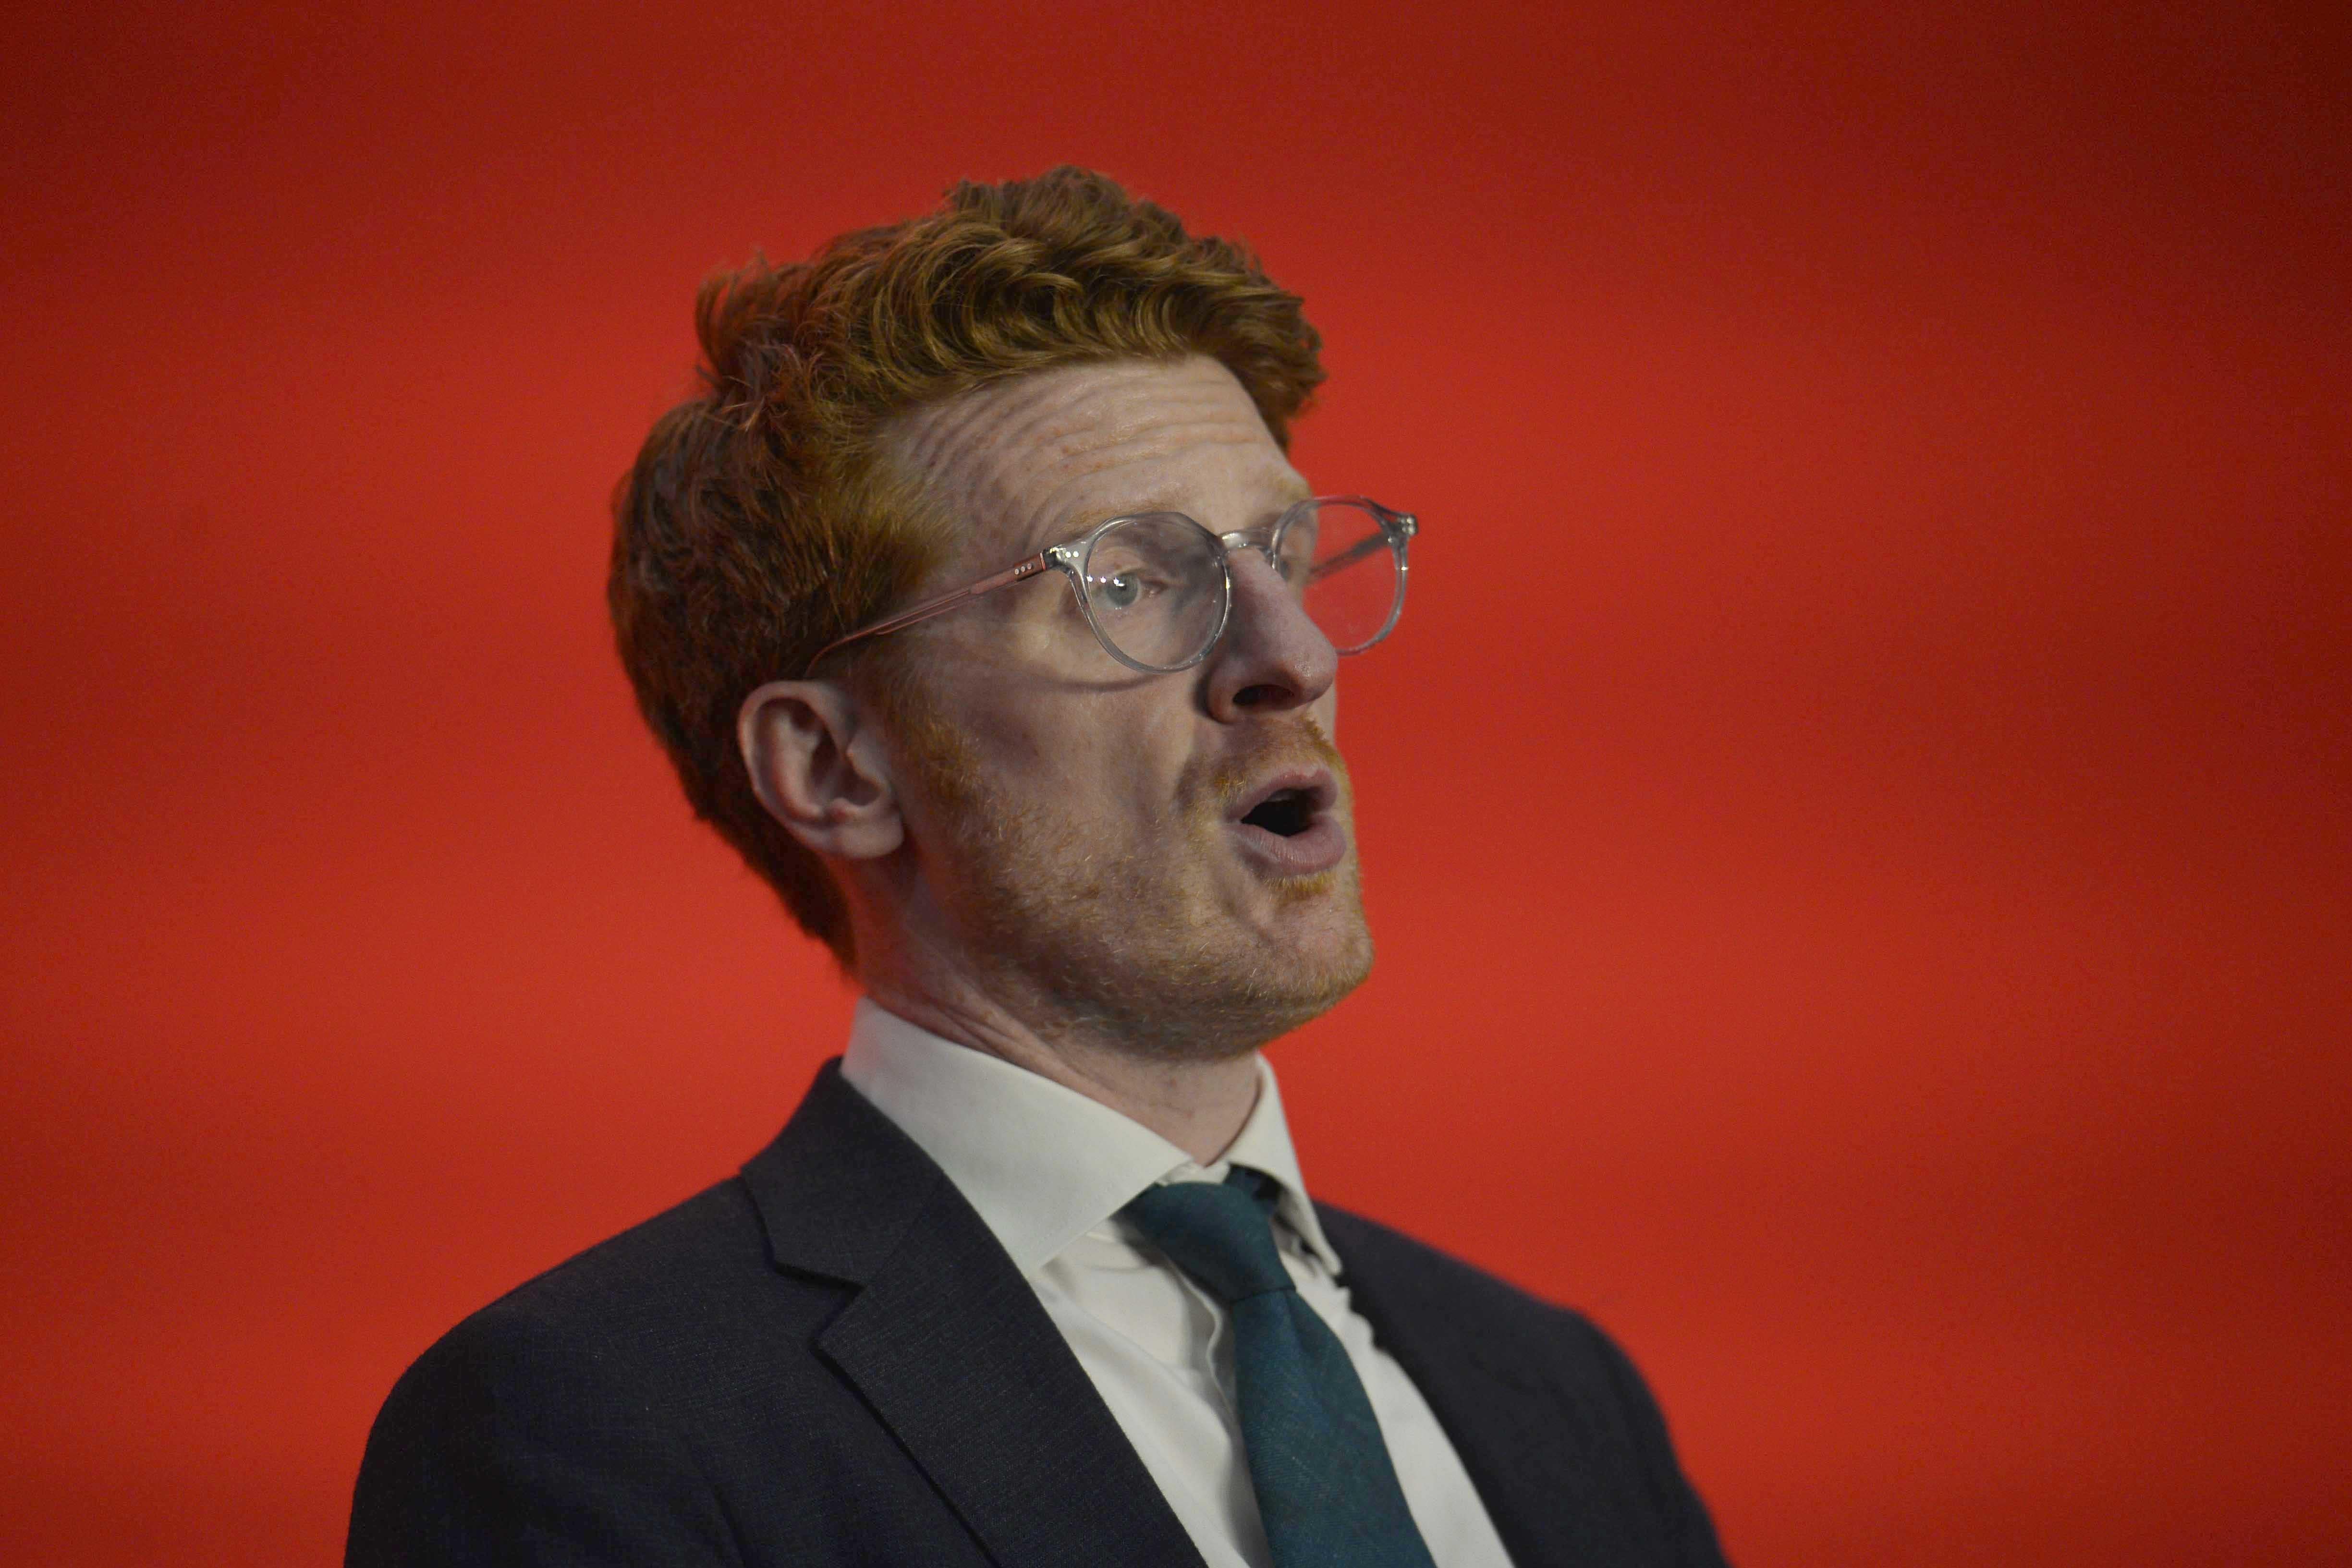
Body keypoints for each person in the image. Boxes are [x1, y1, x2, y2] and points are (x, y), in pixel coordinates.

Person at [347, 167, 1729, 1568]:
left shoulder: (1563, 1399)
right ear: (836, 770)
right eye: (1129, 580)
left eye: (1286, 556)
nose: (1293, 658)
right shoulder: (585, 1431)